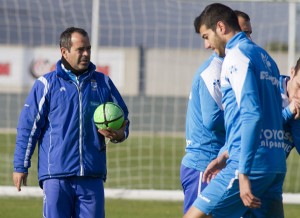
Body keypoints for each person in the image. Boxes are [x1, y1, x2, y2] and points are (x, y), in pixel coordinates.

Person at [12, 27, 130, 218]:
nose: (86, 54)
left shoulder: (103, 83)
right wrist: (20, 166)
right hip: (56, 176)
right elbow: (29, 127)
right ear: (64, 51)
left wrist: (120, 134)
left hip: (91, 176)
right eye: (80, 49)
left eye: (88, 49)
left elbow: (123, 118)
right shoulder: (46, 84)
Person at [184, 3, 286, 218]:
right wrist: (224, 155)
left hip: (249, 163)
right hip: (274, 162)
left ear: (220, 27)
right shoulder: (266, 58)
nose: (207, 45)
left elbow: (251, 114)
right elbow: (272, 114)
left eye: (206, 36)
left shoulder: (236, 56)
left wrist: (243, 173)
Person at [180, 10, 253, 214]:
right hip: (205, 163)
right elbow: (212, 120)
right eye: (242, 32)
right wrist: (244, 118)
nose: (246, 39)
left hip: (227, 161)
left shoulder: (240, 62)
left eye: (248, 33)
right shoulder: (214, 69)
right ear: (225, 29)